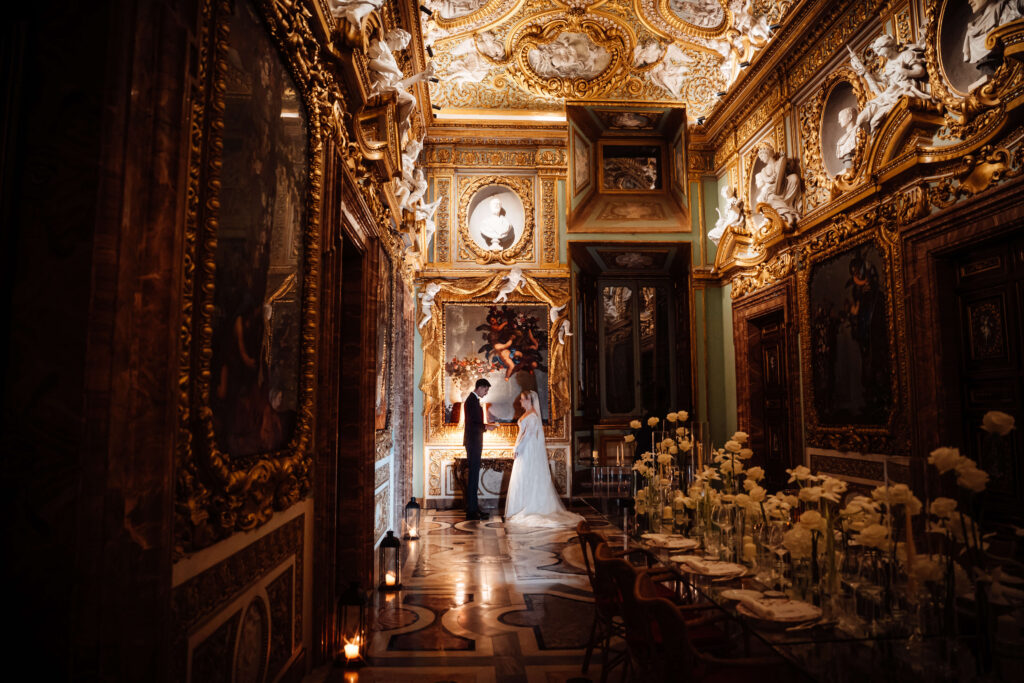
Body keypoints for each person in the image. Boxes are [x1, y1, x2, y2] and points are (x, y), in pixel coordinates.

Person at [504, 391, 584, 527]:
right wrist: (516, 447)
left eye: (523, 400)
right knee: (522, 476)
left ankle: (530, 505)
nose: (520, 402)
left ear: (530, 400)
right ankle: (519, 505)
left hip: (528, 449)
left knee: (526, 474)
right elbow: (522, 434)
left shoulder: (533, 416)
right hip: (523, 447)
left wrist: (517, 449)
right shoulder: (527, 413)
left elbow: (528, 435)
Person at [463, 378, 495, 520]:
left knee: (474, 477)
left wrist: (485, 426)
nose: (486, 393)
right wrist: (486, 426)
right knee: (473, 477)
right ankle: (471, 511)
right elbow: (471, 424)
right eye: (486, 390)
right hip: (473, 442)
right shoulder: (471, 401)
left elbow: (475, 423)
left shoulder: (473, 400)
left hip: (474, 442)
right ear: (480, 387)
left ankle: (474, 508)